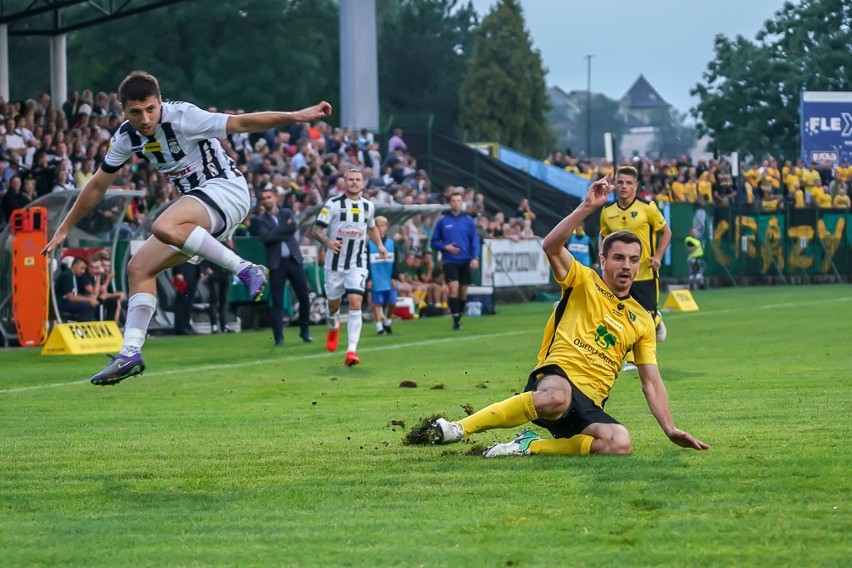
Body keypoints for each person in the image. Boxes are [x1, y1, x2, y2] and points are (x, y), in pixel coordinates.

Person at [41, 70, 332, 385]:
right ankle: (130, 352)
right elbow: (97, 185)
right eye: (135, 112)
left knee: (163, 223)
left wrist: (296, 116)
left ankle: (246, 268)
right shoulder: (126, 137)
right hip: (199, 211)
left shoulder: (184, 117)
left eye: (150, 108)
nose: (145, 118)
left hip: (227, 190)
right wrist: (64, 227)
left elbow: (242, 123)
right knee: (139, 267)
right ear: (123, 110)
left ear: (160, 101)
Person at [427, 174, 709, 457]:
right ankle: (458, 428)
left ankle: (528, 446)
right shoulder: (582, 280)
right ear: (602, 260)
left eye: (633, 260)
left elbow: (651, 381)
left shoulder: (642, 319)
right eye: (619, 258)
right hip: (556, 378)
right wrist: (586, 207)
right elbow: (550, 246)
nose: (626, 266)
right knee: (557, 398)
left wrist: (670, 428)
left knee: (620, 443)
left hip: (589, 403)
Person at [312, 168, 386, 366]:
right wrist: (328, 242)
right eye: (350, 179)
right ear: (344, 183)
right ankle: (333, 325)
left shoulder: (368, 206)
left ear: (363, 183)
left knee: (355, 302)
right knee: (333, 305)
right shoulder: (333, 204)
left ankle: (351, 351)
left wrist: (379, 245)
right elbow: (317, 230)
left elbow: (371, 227)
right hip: (334, 263)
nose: (354, 182)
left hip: (357, 262)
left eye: (357, 179)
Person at [600, 165, 671, 342]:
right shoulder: (607, 211)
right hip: (619, 273)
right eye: (621, 182)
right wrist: (604, 261)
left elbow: (666, 232)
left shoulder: (648, 208)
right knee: (620, 314)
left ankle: (657, 320)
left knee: (647, 316)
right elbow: (604, 238)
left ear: (636, 186)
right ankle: (631, 357)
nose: (624, 186)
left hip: (644, 271)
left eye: (629, 183)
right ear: (615, 184)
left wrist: (658, 257)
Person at [250, 186, 313, 346]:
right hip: (277, 264)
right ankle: (278, 337)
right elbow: (265, 237)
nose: (266, 201)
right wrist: (283, 231)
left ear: (276, 198)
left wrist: (276, 233)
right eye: (263, 198)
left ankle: (304, 331)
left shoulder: (286, 212)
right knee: (276, 301)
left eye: (268, 197)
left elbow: (292, 228)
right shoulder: (260, 220)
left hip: (293, 260)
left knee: (304, 297)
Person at [430, 191, 480, 330]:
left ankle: (459, 316)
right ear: (450, 203)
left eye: (459, 200)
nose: (456, 203)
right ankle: (456, 320)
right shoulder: (443, 221)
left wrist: (475, 257)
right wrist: (445, 247)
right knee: (453, 289)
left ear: (462, 203)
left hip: (465, 260)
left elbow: (475, 240)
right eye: (453, 200)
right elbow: (434, 242)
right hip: (450, 260)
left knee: (463, 292)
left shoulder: (469, 221)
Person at [368, 215, 398, 335]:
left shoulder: (391, 244)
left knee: (392, 302)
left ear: (386, 228)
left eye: (382, 226)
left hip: (389, 277)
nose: (380, 228)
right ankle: (379, 326)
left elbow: (396, 261)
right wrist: (369, 278)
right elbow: (366, 263)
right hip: (376, 277)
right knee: (377, 303)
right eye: (377, 226)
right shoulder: (369, 245)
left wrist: (395, 276)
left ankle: (387, 321)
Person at [55, 257, 99, 322]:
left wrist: (89, 298)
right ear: (75, 265)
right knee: (85, 306)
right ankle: (82, 327)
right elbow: (70, 297)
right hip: (60, 303)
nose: (83, 271)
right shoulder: (67, 276)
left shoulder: (74, 276)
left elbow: (74, 294)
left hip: (66, 302)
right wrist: (89, 299)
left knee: (92, 303)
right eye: (82, 268)